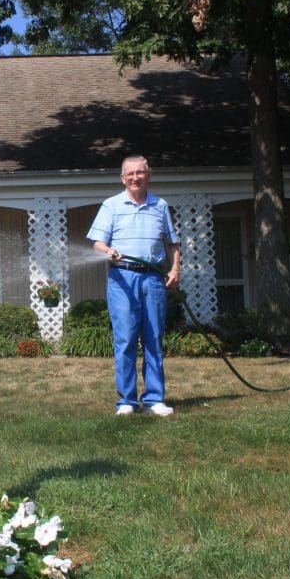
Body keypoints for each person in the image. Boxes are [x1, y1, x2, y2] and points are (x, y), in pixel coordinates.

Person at [87, 155, 181, 416]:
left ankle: (154, 400)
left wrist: (175, 269)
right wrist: (108, 250)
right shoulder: (111, 205)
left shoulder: (160, 206)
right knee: (126, 339)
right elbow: (97, 242)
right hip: (122, 278)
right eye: (130, 174)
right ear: (122, 178)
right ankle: (127, 401)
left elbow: (172, 244)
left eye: (140, 173)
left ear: (148, 174)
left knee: (153, 339)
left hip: (152, 278)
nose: (135, 178)